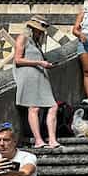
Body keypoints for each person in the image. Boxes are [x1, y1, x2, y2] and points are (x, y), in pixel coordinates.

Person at [13, 16, 61, 151]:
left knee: (53, 106)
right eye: (40, 30)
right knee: (34, 107)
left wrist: (46, 64)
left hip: (40, 75)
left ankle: (52, 139)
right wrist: (39, 63)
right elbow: (18, 60)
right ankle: (38, 140)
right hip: (28, 75)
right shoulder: (23, 38)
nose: (41, 32)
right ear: (33, 28)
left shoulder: (36, 43)